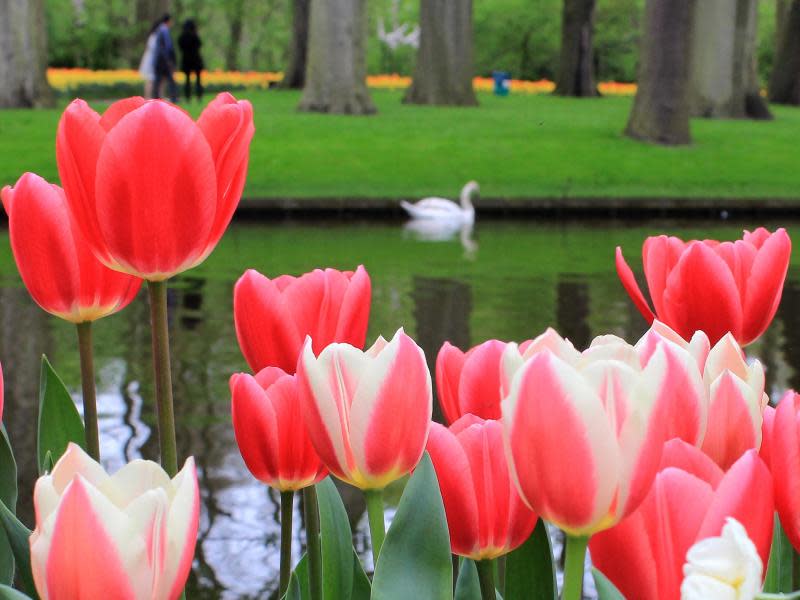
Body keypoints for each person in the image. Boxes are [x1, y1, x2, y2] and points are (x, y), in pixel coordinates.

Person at [153, 13, 178, 103]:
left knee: (158, 80)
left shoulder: (159, 29)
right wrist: (170, 60)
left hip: (159, 59)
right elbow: (168, 46)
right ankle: (174, 98)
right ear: (168, 21)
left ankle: (155, 98)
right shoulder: (164, 30)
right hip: (163, 60)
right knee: (170, 80)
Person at [178, 19, 204, 102]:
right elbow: (199, 45)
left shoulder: (182, 37)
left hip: (186, 61)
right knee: (198, 80)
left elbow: (180, 47)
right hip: (196, 60)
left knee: (187, 80)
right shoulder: (195, 36)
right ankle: (199, 97)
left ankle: (187, 97)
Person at [138, 20, 160, 98]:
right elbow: (154, 49)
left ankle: (148, 96)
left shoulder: (152, 36)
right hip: (151, 60)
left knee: (150, 80)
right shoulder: (154, 37)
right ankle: (147, 97)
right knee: (150, 79)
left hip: (149, 59)